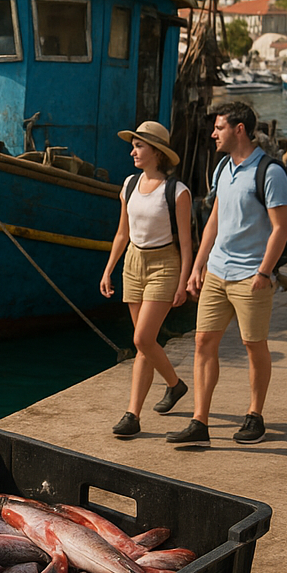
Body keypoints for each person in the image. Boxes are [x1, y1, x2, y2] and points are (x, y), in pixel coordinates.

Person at [168, 102, 287, 445]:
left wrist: (265, 272)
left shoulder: (270, 172)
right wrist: (197, 267)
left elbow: (281, 228)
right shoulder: (223, 167)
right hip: (218, 273)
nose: (213, 134)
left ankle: (254, 415)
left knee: (254, 346)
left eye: (219, 127)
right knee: (204, 341)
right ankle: (199, 421)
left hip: (252, 276)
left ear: (239, 129)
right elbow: (214, 222)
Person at [100, 122, 193, 437]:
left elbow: (186, 241)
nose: (133, 151)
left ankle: (132, 413)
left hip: (164, 265)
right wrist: (109, 268)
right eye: (134, 145)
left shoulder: (177, 192)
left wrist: (183, 282)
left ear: (157, 152)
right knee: (144, 342)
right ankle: (169, 389)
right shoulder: (128, 185)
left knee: (142, 339)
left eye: (139, 145)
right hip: (133, 263)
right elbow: (122, 232)